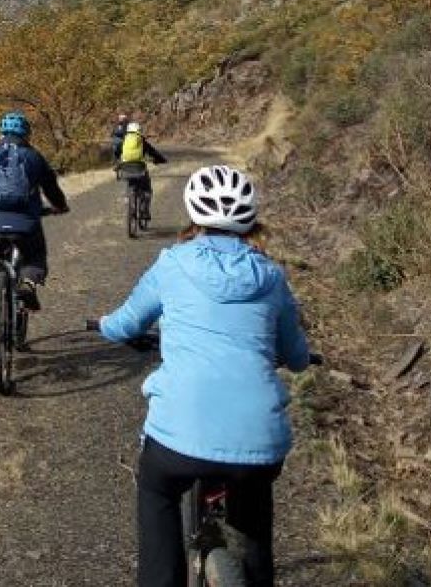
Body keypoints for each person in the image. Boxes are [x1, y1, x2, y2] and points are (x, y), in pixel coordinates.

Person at [95, 165, 310, 587]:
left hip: (178, 439)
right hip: (258, 442)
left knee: (158, 491)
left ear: (193, 214)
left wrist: (104, 325)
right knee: (254, 515)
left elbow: (125, 323)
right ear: (251, 220)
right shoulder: (271, 275)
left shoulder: (172, 263)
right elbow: (297, 357)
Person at [0, 111, 69, 347]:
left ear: (1, 133)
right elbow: (51, 187)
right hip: (25, 225)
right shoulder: (34, 157)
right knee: (35, 256)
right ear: (27, 134)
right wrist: (60, 206)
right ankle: (28, 283)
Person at [115, 122, 168, 213]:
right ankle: (144, 207)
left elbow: (116, 152)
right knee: (147, 188)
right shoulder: (142, 141)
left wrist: (119, 160)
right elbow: (153, 152)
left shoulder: (123, 141)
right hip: (139, 168)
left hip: (125, 168)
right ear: (139, 131)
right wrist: (161, 160)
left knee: (130, 181)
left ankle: (128, 198)